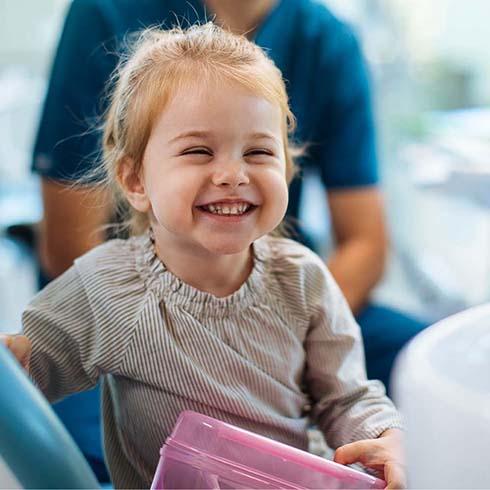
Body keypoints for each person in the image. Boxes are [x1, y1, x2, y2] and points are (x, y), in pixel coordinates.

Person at [32, 0, 426, 481]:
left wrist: (386, 437)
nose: (232, 174)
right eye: (199, 151)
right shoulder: (107, 288)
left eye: (259, 151)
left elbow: (348, 396)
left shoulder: (303, 280)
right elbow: (29, 364)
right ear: (135, 181)